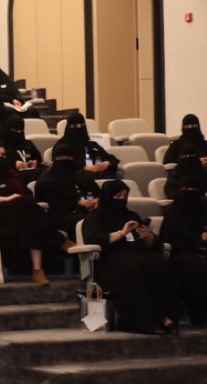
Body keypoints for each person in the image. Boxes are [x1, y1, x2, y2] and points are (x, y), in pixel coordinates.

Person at [82, 180, 179, 334]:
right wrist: (122, 233)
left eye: (124, 196)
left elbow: (154, 242)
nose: (121, 199)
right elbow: (93, 238)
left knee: (162, 263)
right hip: (111, 259)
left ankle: (167, 317)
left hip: (139, 252)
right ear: (107, 196)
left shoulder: (131, 215)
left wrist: (147, 236)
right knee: (139, 265)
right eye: (117, 196)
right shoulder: (94, 217)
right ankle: (142, 322)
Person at [0, 142, 72, 284]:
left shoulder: (13, 175)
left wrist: (17, 199)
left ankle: (37, 270)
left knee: (29, 218)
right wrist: (4, 199)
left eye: (3, 155)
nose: (0, 157)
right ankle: (58, 241)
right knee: (24, 206)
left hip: (20, 214)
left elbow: (28, 194)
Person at [159, 178, 207, 326]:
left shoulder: (203, 208)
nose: (190, 193)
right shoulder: (172, 211)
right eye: (186, 189)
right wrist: (197, 239)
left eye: (194, 190)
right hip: (181, 251)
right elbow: (169, 239)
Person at [33, 143, 99, 235]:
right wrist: (80, 202)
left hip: (88, 209)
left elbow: (95, 189)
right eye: (60, 158)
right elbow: (56, 199)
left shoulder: (79, 174)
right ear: (54, 159)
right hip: (61, 214)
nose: (64, 160)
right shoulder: (47, 178)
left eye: (68, 157)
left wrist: (96, 200)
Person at [55, 112, 118, 180]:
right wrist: (84, 167)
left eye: (81, 125)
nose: (79, 128)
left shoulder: (91, 145)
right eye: (75, 126)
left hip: (100, 177)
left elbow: (112, 158)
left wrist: (106, 163)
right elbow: (63, 165)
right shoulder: (61, 146)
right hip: (77, 179)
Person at [0, 115, 44, 183]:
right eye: (15, 130)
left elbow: (39, 160)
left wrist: (34, 164)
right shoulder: (0, 146)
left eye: (21, 130)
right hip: (10, 177)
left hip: (31, 176)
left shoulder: (28, 144)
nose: (19, 133)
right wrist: (14, 164)